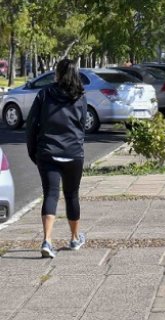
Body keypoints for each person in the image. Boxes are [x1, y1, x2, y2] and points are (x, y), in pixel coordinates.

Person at [26, 58, 87, 258]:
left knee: (50, 194)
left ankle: (47, 240)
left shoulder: (44, 94)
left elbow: (31, 125)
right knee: (72, 195)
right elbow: (82, 125)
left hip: (48, 152)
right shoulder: (80, 97)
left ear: (58, 74)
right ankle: (74, 238)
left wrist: (33, 151)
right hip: (73, 153)